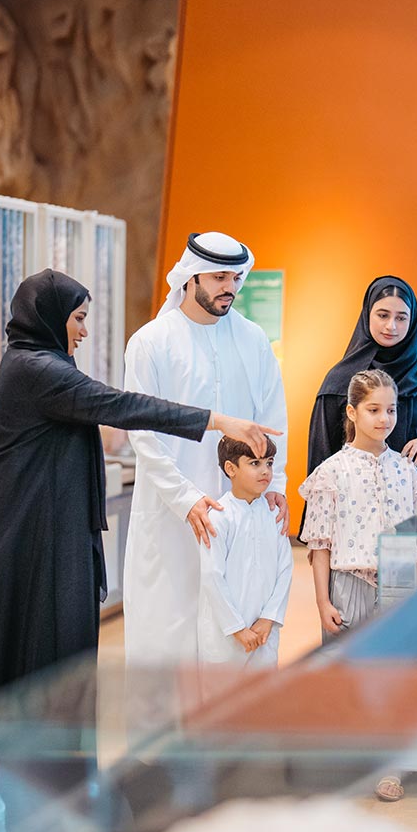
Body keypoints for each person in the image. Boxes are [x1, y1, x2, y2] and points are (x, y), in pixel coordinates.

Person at [0, 268, 278, 706]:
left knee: (51, 649)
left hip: (42, 529)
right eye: (77, 319)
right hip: (22, 535)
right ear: (48, 319)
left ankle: (48, 762)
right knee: (31, 650)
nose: (84, 331)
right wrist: (219, 420)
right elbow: (122, 405)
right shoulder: (37, 369)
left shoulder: (40, 364)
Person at [123, 232, 288, 665]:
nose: (228, 287)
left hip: (243, 509)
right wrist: (186, 498)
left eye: (235, 277)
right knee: (169, 631)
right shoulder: (151, 342)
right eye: (218, 277)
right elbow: (142, 431)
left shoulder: (253, 339)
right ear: (190, 277)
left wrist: (277, 481)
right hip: (171, 513)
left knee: (238, 626)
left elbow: (275, 418)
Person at [299, 368, 417, 802]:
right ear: (352, 412)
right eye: (373, 410)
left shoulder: (409, 473)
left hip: (399, 585)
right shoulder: (330, 473)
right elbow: (319, 543)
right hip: (346, 583)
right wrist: (322, 600)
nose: (384, 419)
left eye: (390, 410)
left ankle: (391, 765)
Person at [305, 275, 417, 510]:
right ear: (367, 314)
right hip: (355, 517)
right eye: (382, 315)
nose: (391, 326)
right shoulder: (339, 383)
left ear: (412, 322)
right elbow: (320, 463)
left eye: (401, 318)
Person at [198, 436, 292, 669]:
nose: (265, 471)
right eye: (254, 463)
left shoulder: (274, 515)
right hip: (225, 638)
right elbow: (212, 576)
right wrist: (237, 628)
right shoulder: (219, 517)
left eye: (269, 463)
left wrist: (269, 617)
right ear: (231, 469)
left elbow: (285, 570)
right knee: (222, 701)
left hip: (264, 634)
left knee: (262, 699)